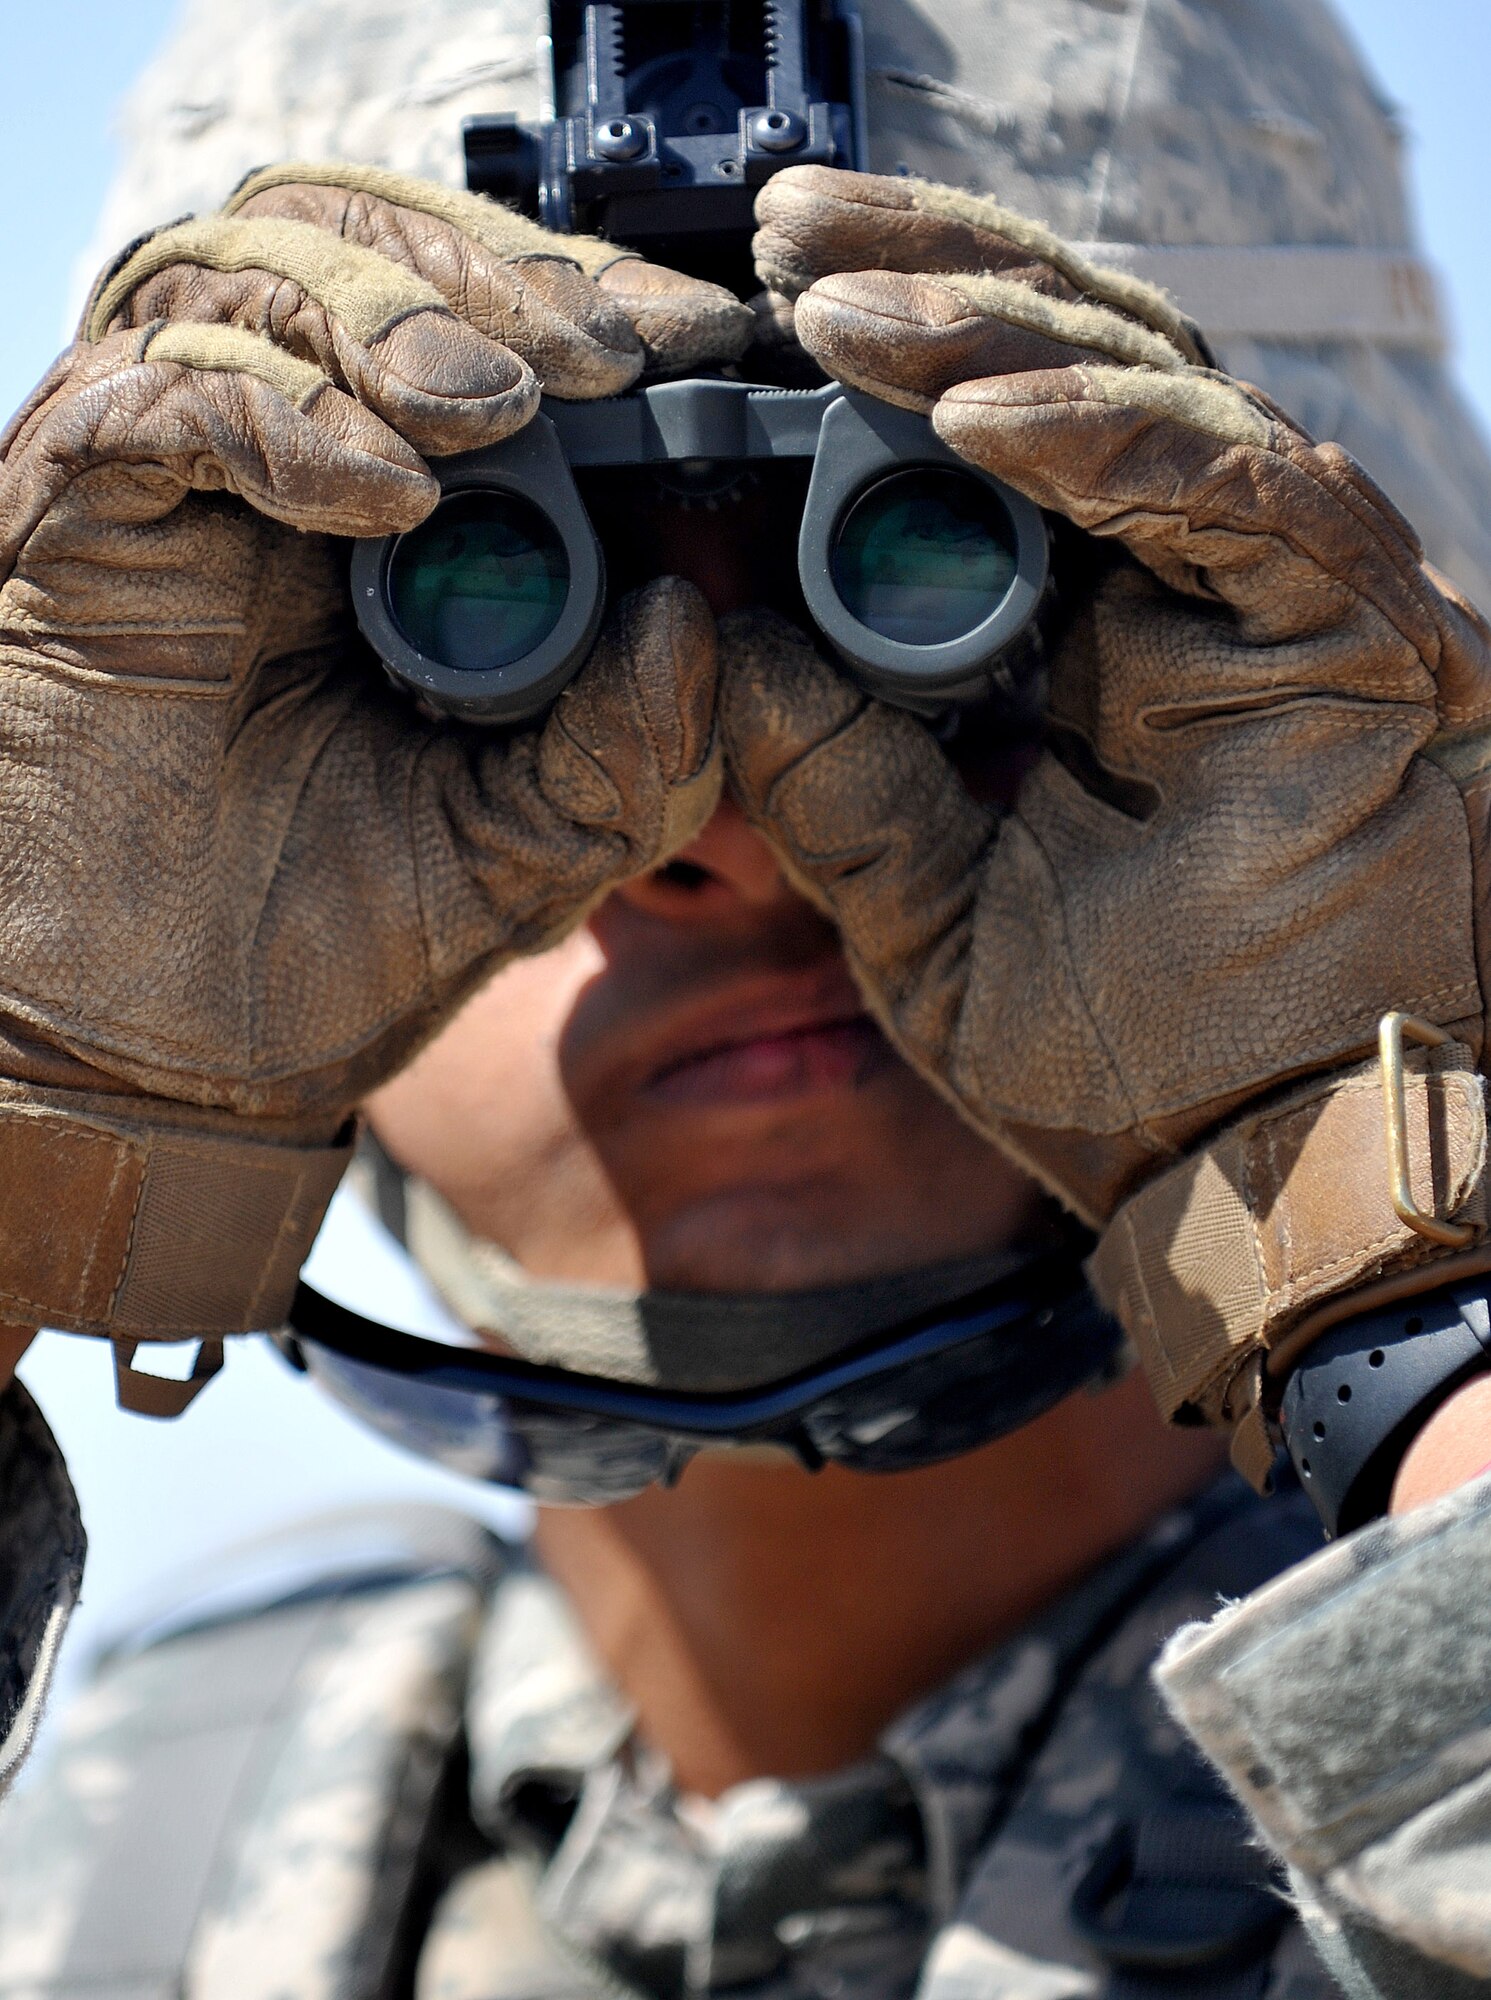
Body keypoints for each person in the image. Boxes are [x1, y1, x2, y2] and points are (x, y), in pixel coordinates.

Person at [2, 1, 1491, 1997]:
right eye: (465, 599)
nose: (720, 820)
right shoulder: (114, 1874)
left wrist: (1377, 1263)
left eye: (968, 562)